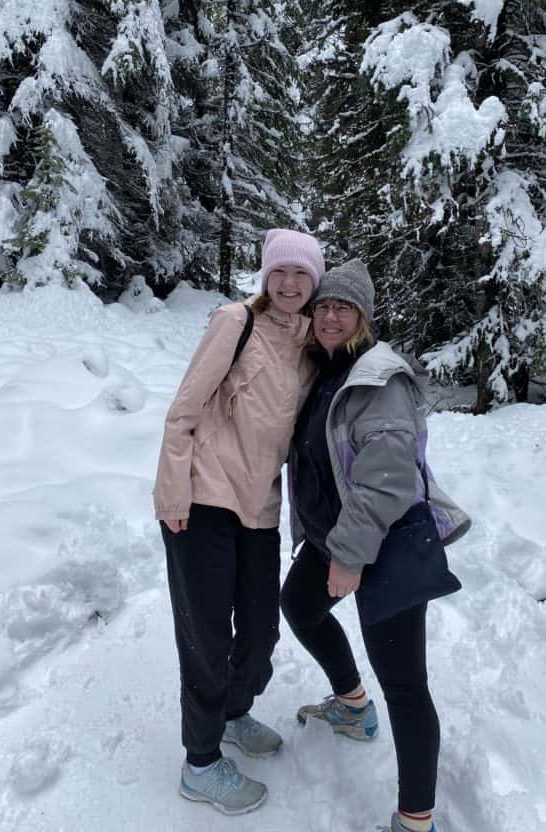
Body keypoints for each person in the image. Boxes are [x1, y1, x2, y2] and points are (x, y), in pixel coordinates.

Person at [280, 259, 470, 832]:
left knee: (406, 682)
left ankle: (416, 820)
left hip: (385, 541)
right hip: (337, 533)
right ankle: (353, 707)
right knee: (300, 606)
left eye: (344, 307)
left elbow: (386, 479)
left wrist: (349, 557)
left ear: (363, 316)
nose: (330, 316)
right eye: (324, 306)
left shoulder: (378, 378)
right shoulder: (326, 370)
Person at [153, 229, 325, 815]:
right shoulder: (234, 321)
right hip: (202, 498)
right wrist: (172, 489)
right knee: (205, 635)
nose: (289, 284)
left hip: (260, 505)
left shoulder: (312, 344)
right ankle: (200, 763)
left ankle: (231, 712)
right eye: (280, 272)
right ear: (265, 276)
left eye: (301, 275)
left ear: (314, 283)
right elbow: (184, 410)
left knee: (260, 635)